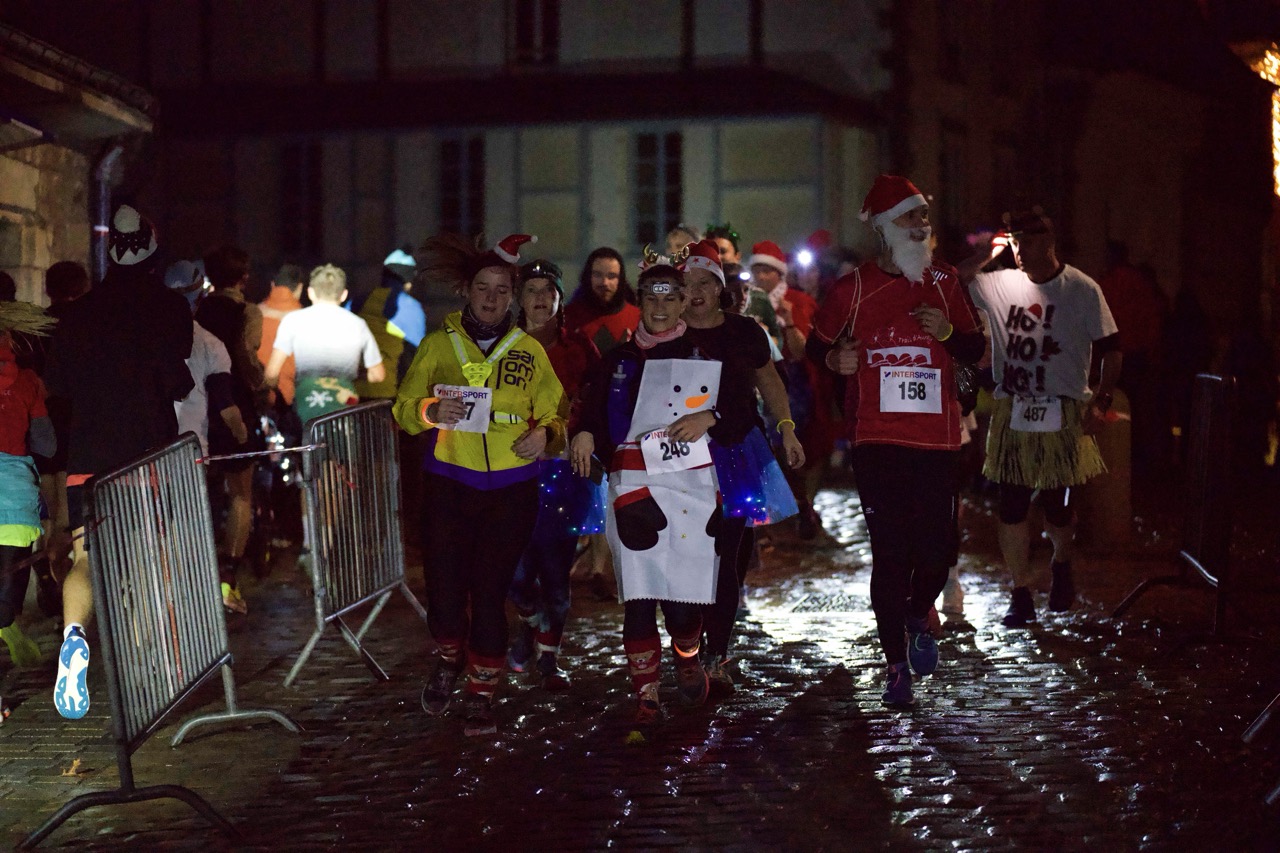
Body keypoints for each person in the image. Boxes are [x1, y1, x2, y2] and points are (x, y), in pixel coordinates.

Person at [807, 175, 984, 708]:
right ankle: (895, 667)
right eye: (910, 217)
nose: (921, 225)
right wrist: (835, 359)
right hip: (877, 439)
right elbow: (817, 346)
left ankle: (915, 615)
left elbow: (974, 348)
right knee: (890, 554)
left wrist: (946, 333)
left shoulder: (945, 281)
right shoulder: (853, 288)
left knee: (936, 554)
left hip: (936, 441)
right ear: (885, 227)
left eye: (924, 216)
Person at [393, 233, 565, 737]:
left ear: (513, 297)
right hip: (449, 484)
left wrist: (546, 435)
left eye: (501, 290)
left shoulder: (529, 350)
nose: (492, 298)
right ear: (466, 291)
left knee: (489, 594)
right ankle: (450, 657)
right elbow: (403, 410)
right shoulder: (437, 345)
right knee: (446, 598)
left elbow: (556, 411)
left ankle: (481, 693)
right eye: (483, 288)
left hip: (512, 490)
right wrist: (430, 410)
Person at [44, 204, 194, 719]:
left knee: (86, 558)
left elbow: (59, 389)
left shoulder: (76, 314)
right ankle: (143, 673)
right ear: (152, 254)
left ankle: (73, 635)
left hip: (89, 454)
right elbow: (177, 380)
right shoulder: (168, 308)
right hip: (146, 456)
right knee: (146, 562)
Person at [570, 253, 718, 735]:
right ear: (640, 302)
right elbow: (591, 411)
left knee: (682, 601)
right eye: (650, 298)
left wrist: (711, 417)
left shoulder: (703, 356)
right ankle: (647, 695)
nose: (659, 307)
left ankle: (687, 653)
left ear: (683, 302)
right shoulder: (618, 359)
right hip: (632, 485)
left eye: (669, 298)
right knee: (638, 594)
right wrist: (585, 433)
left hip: (692, 488)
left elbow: (740, 409)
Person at [958, 208, 1121, 628]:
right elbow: (956, 279)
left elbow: (1111, 348)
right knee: (1011, 508)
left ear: (1049, 241)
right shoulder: (1000, 282)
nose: (1020, 251)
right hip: (1014, 407)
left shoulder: (1081, 289)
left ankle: (1061, 560)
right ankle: (1020, 592)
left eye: (1027, 242)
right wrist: (990, 253)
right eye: (1014, 242)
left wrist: (1101, 400)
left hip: (1063, 409)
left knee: (1058, 509)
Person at [680, 238, 805, 698]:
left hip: (735, 451)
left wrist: (787, 430)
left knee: (729, 557)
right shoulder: (668, 333)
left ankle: (716, 653)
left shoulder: (746, 332)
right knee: (689, 555)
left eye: (704, 283)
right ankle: (688, 645)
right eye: (687, 284)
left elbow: (769, 382)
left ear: (719, 288)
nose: (695, 293)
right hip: (682, 458)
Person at [506, 259, 601, 690]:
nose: (541, 298)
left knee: (555, 569)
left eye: (549, 290)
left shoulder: (579, 347)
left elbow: (599, 400)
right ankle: (529, 619)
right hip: (510, 472)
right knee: (515, 573)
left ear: (560, 298)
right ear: (519, 298)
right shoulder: (500, 345)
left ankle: (548, 657)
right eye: (532, 290)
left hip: (562, 472)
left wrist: (586, 434)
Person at [196, 244, 267, 606]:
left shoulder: (197, 309)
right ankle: (229, 572)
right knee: (241, 491)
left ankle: (199, 566)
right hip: (235, 402)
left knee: (201, 489)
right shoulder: (247, 311)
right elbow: (247, 354)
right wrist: (261, 384)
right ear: (243, 277)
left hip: (199, 406)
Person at [747, 239, 829, 539]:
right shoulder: (745, 301)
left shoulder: (797, 301)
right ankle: (781, 512)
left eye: (767, 270)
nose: (761, 276)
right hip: (754, 382)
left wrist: (790, 322)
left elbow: (803, 351)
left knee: (793, 445)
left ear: (779, 273)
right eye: (756, 270)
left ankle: (801, 505)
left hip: (792, 384)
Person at [0, 302, 56, 678]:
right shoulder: (27, 381)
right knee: (8, 581)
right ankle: (6, 621)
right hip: (14, 499)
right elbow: (46, 445)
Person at [265, 264, 385, 424]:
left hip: (305, 405)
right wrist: (353, 374)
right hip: (345, 406)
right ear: (343, 295)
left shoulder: (292, 321)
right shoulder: (358, 325)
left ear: (310, 292)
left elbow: (271, 373)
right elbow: (377, 375)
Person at [352, 247, 428, 401]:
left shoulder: (358, 301)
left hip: (351, 391)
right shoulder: (409, 307)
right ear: (408, 282)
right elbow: (421, 355)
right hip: (385, 393)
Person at [563, 247, 641, 356]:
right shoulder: (567, 317)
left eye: (611, 276)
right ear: (588, 277)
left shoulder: (638, 319)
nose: (604, 282)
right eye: (598, 275)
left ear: (621, 280)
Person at [258, 263, 304, 411]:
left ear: (272, 285)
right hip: (287, 399)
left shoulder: (254, 313)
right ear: (300, 288)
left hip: (253, 396)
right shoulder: (305, 319)